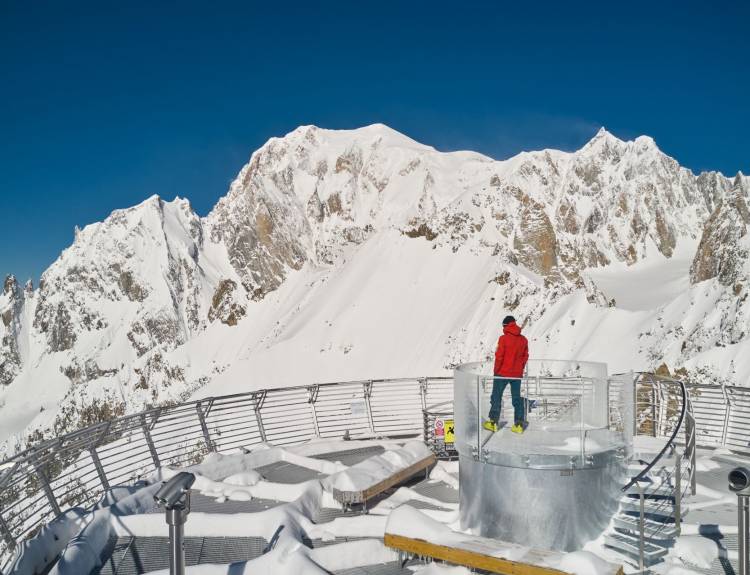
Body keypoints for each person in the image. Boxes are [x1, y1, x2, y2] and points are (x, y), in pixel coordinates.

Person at [484, 315, 529, 434]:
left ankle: (493, 422)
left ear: (505, 326)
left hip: (502, 373)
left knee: (496, 396)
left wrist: (496, 371)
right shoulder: (523, 339)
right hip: (516, 374)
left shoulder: (503, 339)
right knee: (517, 398)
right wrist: (520, 367)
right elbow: (525, 356)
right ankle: (518, 424)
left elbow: (499, 357)